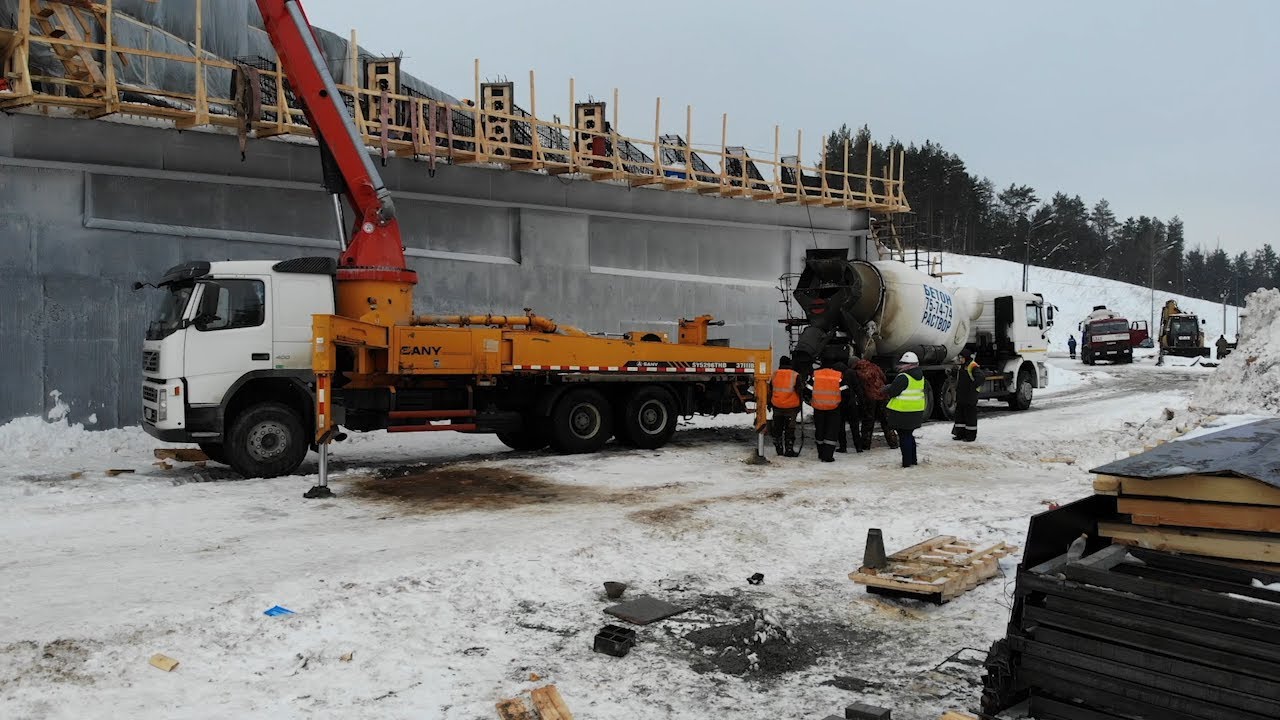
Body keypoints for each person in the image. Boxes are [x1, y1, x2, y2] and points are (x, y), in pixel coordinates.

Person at [883, 351, 926, 468]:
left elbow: (893, 392)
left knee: (904, 437)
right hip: (916, 411)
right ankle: (913, 460)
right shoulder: (920, 376)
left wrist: (887, 388)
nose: (900, 366)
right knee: (909, 435)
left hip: (903, 412)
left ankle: (907, 462)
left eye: (903, 363)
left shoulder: (903, 377)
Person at [804, 357, 847, 462]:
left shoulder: (815, 375)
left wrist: (810, 401)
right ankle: (828, 455)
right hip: (834, 408)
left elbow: (807, 390)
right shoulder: (838, 375)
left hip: (818, 408)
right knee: (831, 432)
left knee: (820, 430)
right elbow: (845, 391)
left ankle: (821, 453)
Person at [853, 357, 897, 451]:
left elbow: (858, 386)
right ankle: (893, 443)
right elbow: (884, 378)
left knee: (868, 421)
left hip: (870, 397)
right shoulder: (874, 366)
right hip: (882, 394)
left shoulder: (857, 372)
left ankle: (865, 444)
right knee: (886, 421)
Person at [951, 346, 986, 442]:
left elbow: (981, 377)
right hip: (961, 397)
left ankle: (970, 436)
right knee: (960, 416)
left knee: (970, 417)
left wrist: (972, 387)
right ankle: (960, 434)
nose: (960, 359)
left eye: (961, 358)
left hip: (970, 397)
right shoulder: (961, 367)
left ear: (965, 357)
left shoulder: (972, 365)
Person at [769, 356, 801, 457]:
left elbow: (770, 390)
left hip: (777, 406)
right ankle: (789, 449)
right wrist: (800, 405)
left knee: (777, 428)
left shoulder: (774, 375)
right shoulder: (795, 375)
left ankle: (778, 448)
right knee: (789, 429)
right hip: (791, 407)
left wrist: (769, 403)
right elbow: (800, 391)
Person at [834, 361, 863, 453]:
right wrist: (861, 401)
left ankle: (843, 447)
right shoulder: (852, 373)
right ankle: (858, 447)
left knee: (840, 426)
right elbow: (857, 387)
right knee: (854, 426)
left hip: (840, 403)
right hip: (851, 403)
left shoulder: (836, 375)